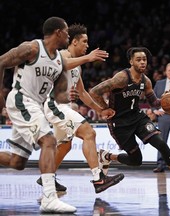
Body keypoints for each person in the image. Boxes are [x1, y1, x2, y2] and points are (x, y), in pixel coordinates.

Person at [0, 16, 110, 213]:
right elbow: (1, 62)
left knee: (17, 162)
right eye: (67, 32)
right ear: (59, 32)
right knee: (49, 141)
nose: (68, 35)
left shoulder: (59, 60)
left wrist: (69, 96)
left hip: (38, 105)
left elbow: (61, 89)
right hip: (22, 100)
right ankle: (49, 198)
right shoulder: (32, 48)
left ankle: (50, 191)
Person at [89, 47, 170, 193]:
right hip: (120, 122)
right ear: (131, 61)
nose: (142, 62)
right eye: (138, 60)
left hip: (138, 118)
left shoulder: (146, 81)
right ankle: (107, 156)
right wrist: (103, 109)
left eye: (144, 59)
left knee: (161, 144)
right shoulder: (122, 78)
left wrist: (166, 98)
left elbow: (155, 103)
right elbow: (94, 92)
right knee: (136, 160)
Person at [36, 23, 124, 193]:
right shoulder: (61, 54)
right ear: (74, 42)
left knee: (65, 145)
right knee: (89, 133)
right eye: (84, 41)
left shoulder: (78, 66)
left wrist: (101, 110)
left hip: (64, 107)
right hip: (54, 105)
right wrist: (89, 58)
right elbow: (63, 64)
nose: (87, 45)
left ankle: (47, 176)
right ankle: (99, 179)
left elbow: (82, 93)